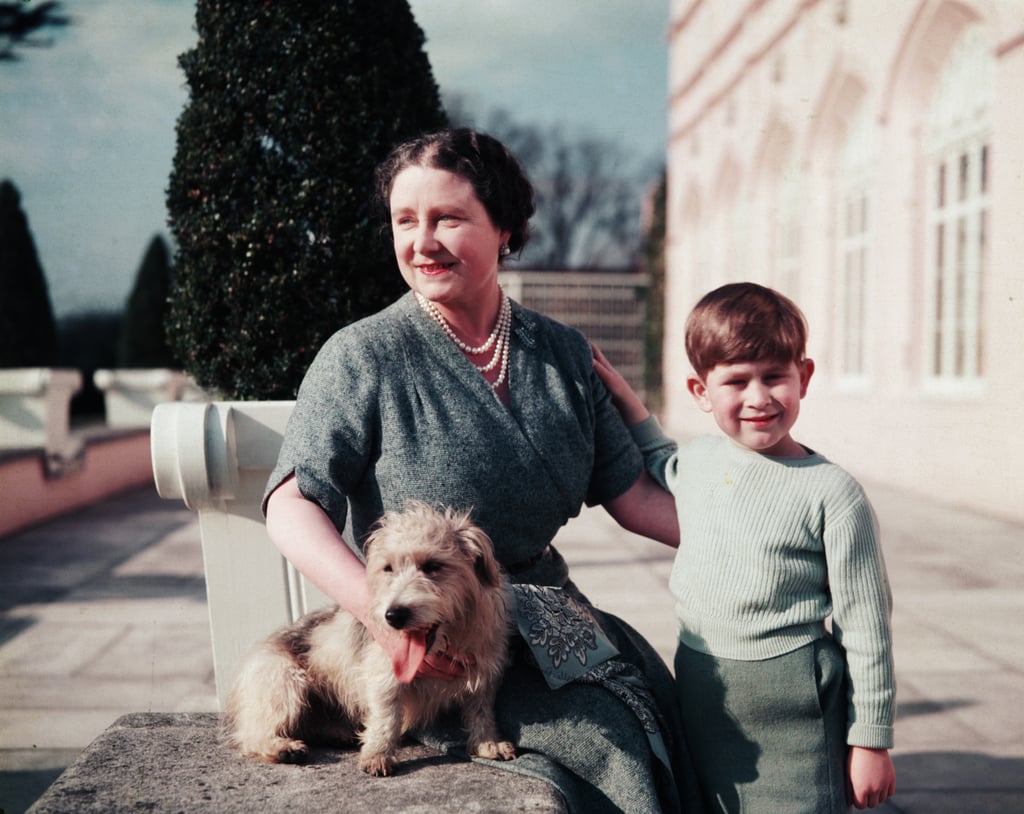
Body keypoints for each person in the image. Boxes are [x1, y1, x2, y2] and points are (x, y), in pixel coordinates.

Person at [262, 128, 702, 813]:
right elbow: (292, 504)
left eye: (448, 218)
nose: (422, 240)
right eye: (405, 221)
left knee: (654, 703)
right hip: (428, 640)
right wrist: (380, 617)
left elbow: (638, 497)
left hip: (549, 616)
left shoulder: (560, 352)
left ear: (504, 229)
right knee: (603, 743)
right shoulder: (362, 355)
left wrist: (763, 533)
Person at [592, 282, 897, 812]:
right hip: (704, 686)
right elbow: (660, 456)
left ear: (804, 377)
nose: (759, 398)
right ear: (700, 392)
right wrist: (626, 398)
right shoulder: (702, 461)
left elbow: (866, 627)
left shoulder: (833, 493)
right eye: (736, 381)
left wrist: (870, 739)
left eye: (775, 377)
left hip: (796, 710)